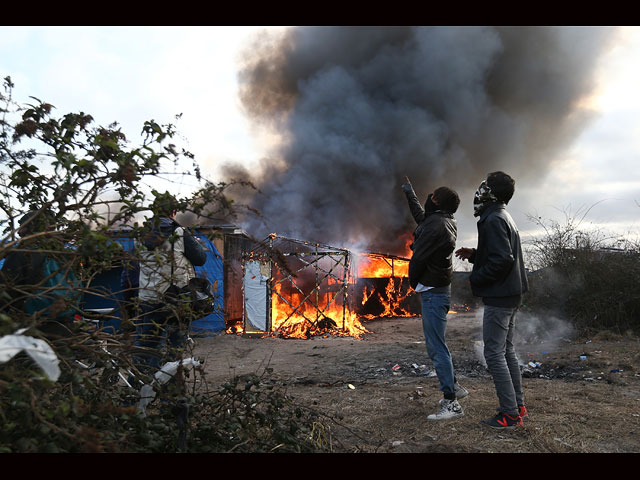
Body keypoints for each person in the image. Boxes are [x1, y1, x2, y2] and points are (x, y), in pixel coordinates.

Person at [455, 171, 529, 430]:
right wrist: (475, 255)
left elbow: (503, 259)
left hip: (500, 295)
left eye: (485, 185)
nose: (480, 188)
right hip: (511, 293)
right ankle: (517, 406)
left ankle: (509, 414)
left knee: (494, 353)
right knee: (506, 350)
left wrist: (477, 278)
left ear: (492, 193)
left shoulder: (493, 219)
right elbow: (500, 253)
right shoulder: (502, 215)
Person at [402, 176, 468, 421]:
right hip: (436, 290)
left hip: (432, 292)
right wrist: (409, 191)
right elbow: (422, 217)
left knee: (436, 347)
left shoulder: (437, 225)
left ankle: (451, 402)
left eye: (431, 196)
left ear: (437, 201)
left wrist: (413, 283)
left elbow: (418, 258)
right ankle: (455, 387)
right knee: (438, 344)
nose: (428, 198)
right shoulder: (444, 221)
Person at [130, 193, 207, 373]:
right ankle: (170, 392)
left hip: (147, 299)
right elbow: (200, 259)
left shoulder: (140, 235)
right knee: (176, 348)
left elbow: (133, 267)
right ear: (173, 212)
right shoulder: (178, 232)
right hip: (174, 299)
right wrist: (196, 244)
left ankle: (139, 387)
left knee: (146, 346)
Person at [0, 209, 79, 339]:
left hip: (30, 331)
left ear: (29, 229)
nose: (19, 233)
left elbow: (4, 295)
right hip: (65, 330)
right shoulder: (64, 256)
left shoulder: (22, 254)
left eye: (23, 227)